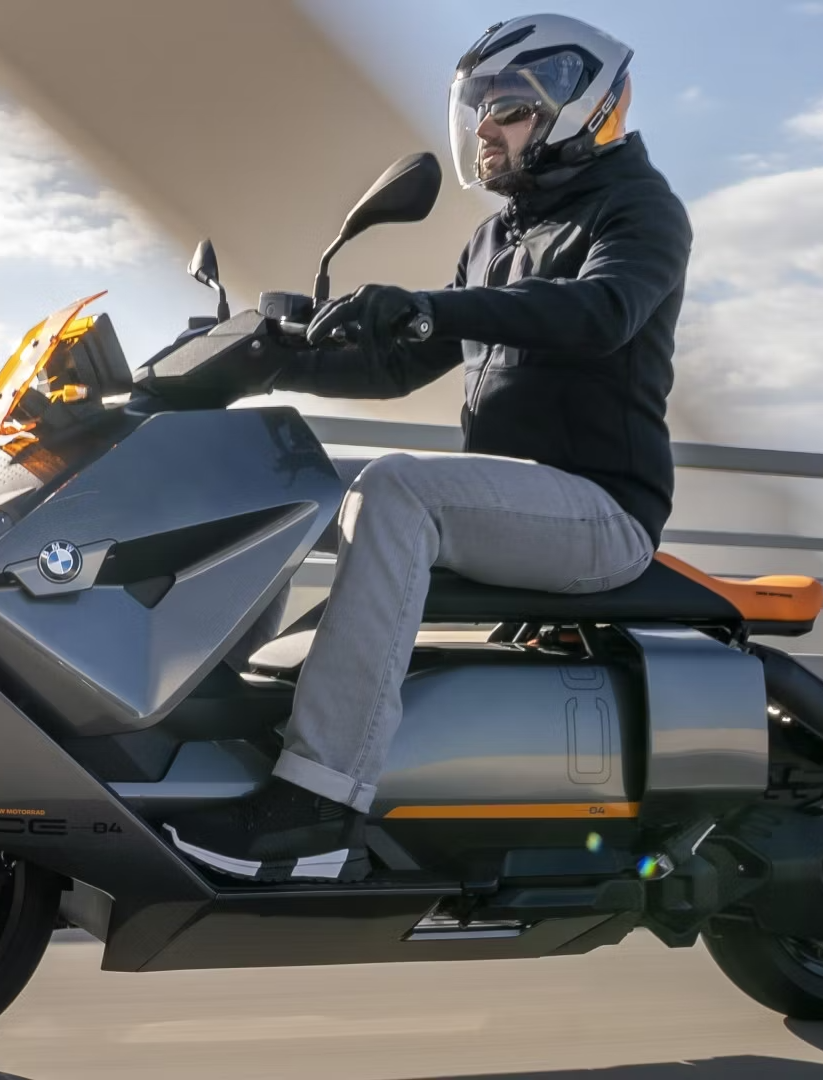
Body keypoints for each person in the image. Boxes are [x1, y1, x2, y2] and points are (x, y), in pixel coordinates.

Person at [165, 13, 692, 882]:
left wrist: (431, 305)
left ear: (579, 105)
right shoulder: (495, 237)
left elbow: (600, 315)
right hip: (512, 502)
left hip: (600, 507)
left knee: (396, 489)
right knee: (273, 473)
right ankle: (214, 714)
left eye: (510, 107)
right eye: (480, 107)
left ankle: (321, 802)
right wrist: (273, 362)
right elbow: (404, 365)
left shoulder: (639, 210)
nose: (485, 126)